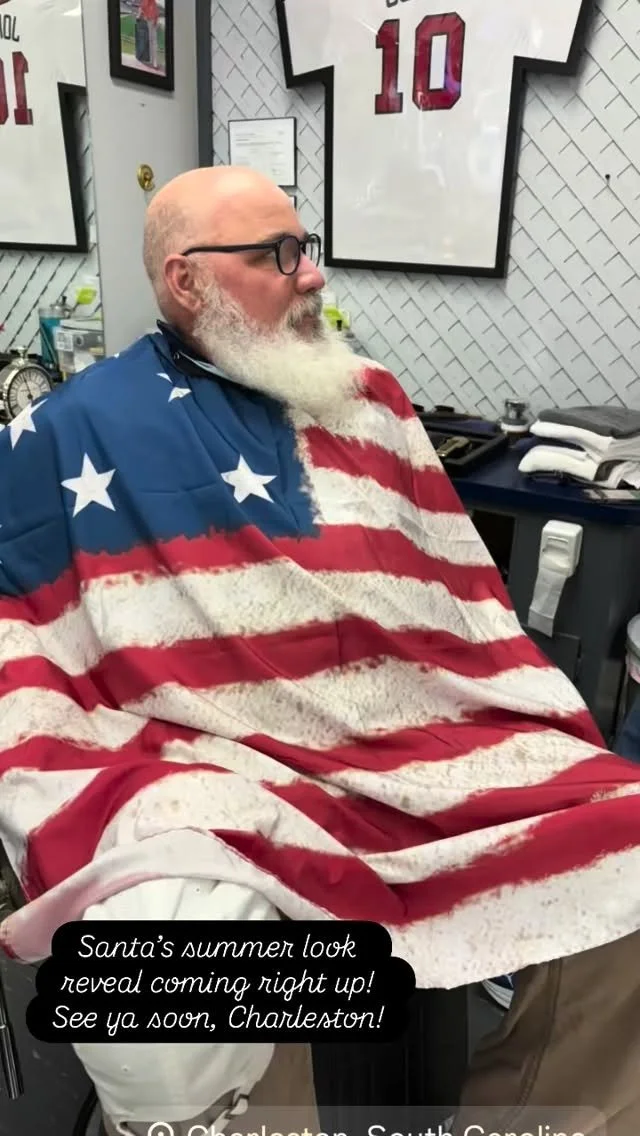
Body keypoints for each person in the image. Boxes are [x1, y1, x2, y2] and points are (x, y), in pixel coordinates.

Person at [0, 166, 639, 1136]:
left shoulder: (367, 400)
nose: (313, 276)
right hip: (210, 745)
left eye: (308, 248)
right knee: (167, 951)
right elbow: (27, 612)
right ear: (186, 279)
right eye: (281, 254)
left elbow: (454, 599)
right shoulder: (76, 426)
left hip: (421, 722)